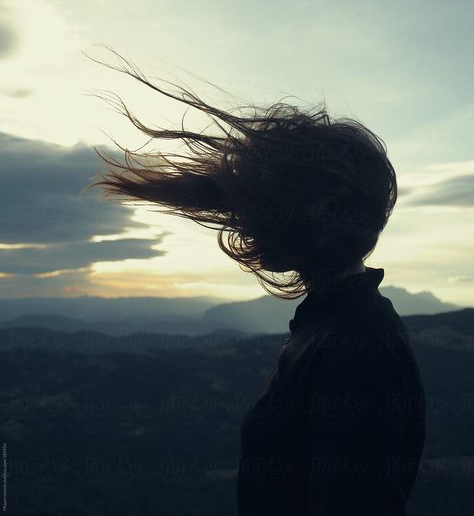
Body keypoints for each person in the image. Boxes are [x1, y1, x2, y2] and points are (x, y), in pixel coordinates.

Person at [82, 46, 426, 515]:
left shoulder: (355, 344)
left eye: (258, 204)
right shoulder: (339, 325)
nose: (245, 221)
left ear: (316, 216)